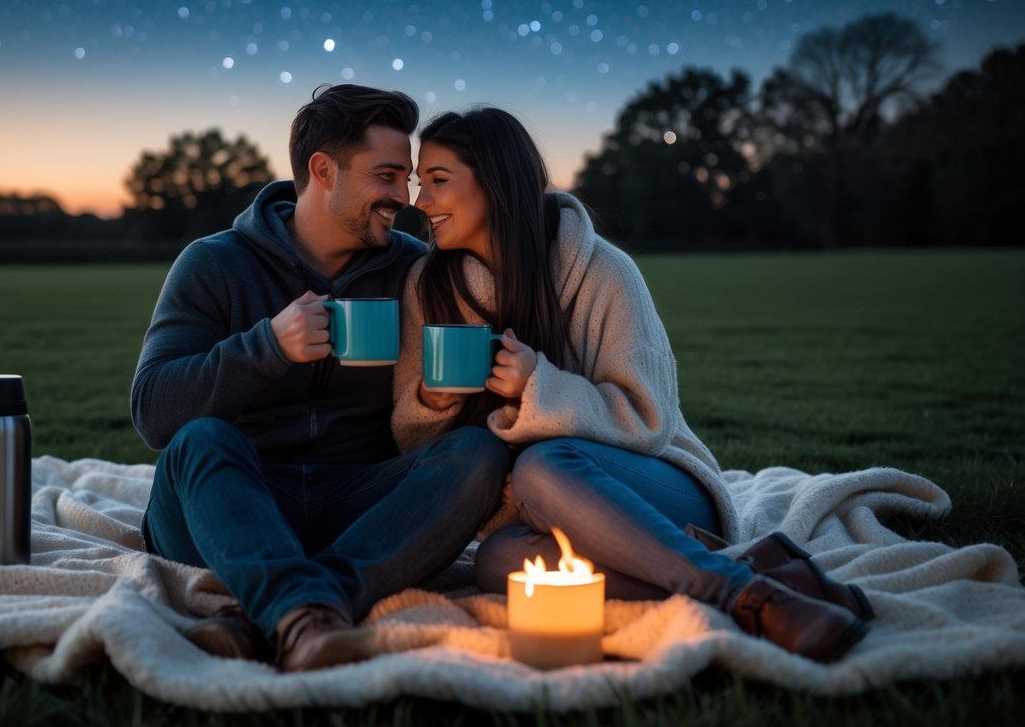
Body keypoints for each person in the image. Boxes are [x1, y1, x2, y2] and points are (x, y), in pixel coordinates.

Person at [391, 107, 874, 663]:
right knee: (501, 561)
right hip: (541, 515)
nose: (420, 202)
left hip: (659, 487)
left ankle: (747, 597)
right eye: (418, 183)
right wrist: (430, 403)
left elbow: (647, 418)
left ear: (496, 183)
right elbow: (412, 443)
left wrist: (539, 388)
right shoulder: (427, 287)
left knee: (543, 466)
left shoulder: (603, 272)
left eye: (438, 181)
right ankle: (754, 571)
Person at [131, 85, 510, 673]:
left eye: (406, 179)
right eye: (386, 175)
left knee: (479, 452)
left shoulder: (415, 267)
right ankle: (311, 615)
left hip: (357, 503)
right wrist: (267, 347)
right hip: (232, 506)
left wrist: (444, 394)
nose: (403, 198)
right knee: (200, 441)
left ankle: (285, 610)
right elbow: (154, 412)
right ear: (323, 170)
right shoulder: (214, 264)